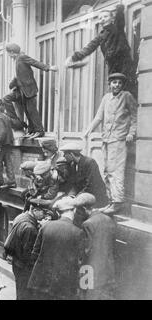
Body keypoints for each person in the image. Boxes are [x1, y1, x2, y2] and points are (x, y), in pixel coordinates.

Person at [84, 73, 138, 214]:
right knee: (107, 171)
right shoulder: (106, 98)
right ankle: (111, 201)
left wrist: (131, 133)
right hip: (106, 139)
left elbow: (134, 116)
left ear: (122, 85)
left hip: (119, 140)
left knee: (116, 171)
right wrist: (88, 130)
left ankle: (118, 202)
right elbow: (98, 117)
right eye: (114, 82)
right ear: (110, 84)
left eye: (120, 83)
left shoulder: (126, 96)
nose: (117, 85)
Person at [65, 5, 137, 97]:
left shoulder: (117, 29)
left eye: (105, 16)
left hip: (125, 65)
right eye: (100, 18)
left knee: (128, 91)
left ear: (112, 19)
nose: (102, 19)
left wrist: (120, 8)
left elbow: (120, 20)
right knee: (116, 93)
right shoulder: (101, 35)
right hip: (112, 67)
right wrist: (73, 58)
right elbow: (89, 48)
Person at [28, 197, 85, 300]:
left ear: (58, 213)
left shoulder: (45, 227)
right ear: (74, 210)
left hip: (41, 283)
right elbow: (80, 262)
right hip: (63, 287)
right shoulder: (78, 232)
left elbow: (34, 254)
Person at [6, 43, 58, 139]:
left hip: (29, 89)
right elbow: (19, 76)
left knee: (32, 111)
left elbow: (34, 62)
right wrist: (13, 84)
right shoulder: (17, 59)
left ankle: (39, 130)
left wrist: (49, 68)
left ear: (12, 52)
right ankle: (32, 130)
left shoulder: (21, 57)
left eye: (9, 53)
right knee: (27, 111)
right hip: (23, 90)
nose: (9, 56)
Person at [75, 193, 117, 300]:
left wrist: (80, 277)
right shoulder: (109, 220)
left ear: (84, 208)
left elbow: (85, 253)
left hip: (90, 273)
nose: (77, 213)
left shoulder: (87, 224)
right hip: (108, 271)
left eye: (78, 210)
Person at [3, 202, 44, 300]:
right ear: (34, 210)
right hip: (24, 267)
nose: (44, 215)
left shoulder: (21, 216)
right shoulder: (30, 228)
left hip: (16, 262)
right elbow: (28, 254)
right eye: (43, 212)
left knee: (20, 291)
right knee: (25, 294)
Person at [60, 142, 109, 209]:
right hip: (83, 195)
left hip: (96, 198)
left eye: (65, 154)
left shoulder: (90, 162)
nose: (63, 156)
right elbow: (74, 184)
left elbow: (91, 185)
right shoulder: (73, 165)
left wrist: (76, 198)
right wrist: (71, 196)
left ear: (71, 154)